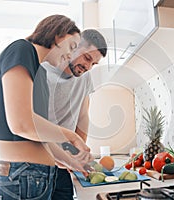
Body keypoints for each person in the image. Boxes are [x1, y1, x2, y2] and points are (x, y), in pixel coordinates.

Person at [0, 14, 94, 200]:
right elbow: (22, 124)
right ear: (58, 36)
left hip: (34, 179)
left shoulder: (38, 74)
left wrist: (71, 162)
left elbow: (40, 138)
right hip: (22, 179)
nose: (71, 55)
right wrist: (71, 136)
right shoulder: (21, 49)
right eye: (72, 47)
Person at [41, 29, 107, 199]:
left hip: (64, 167)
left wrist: (78, 154)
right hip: (37, 163)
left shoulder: (85, 78)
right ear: (74, 47)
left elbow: (83, 116)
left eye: (93, 64)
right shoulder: (43, 70)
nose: (88, 67)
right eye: (87, 58)